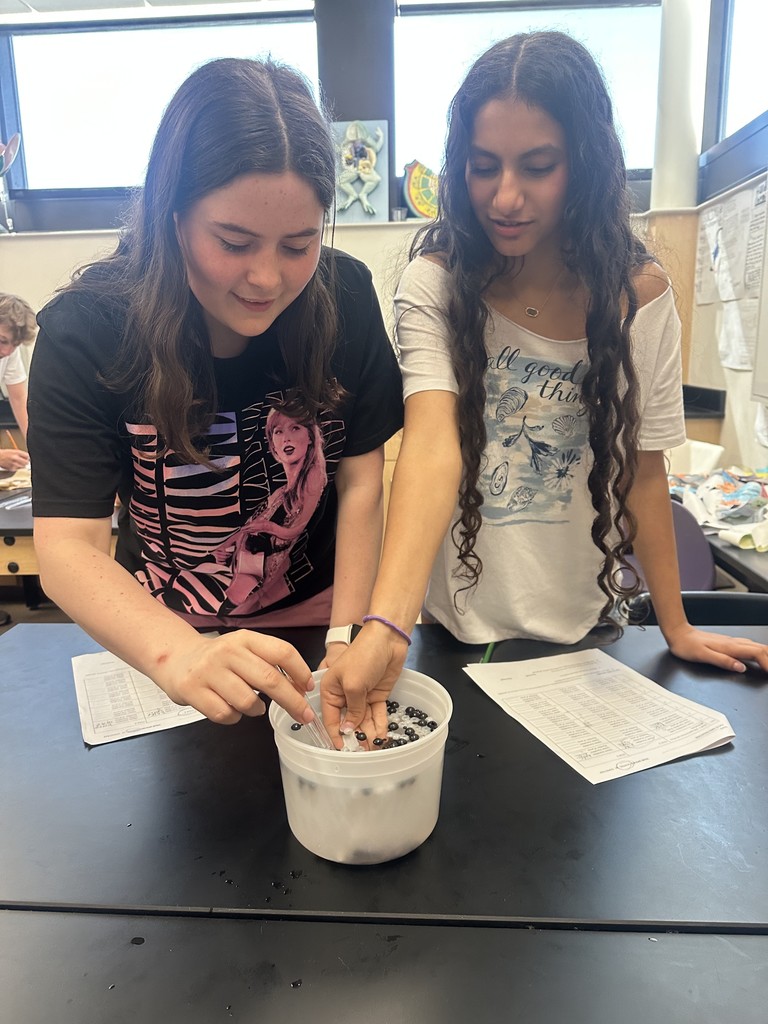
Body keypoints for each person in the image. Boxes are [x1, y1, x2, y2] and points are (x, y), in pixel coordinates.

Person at [321, 30, 768, 743]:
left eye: (537, 166)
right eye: (483, 167)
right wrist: (387, 624)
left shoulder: (640, 295)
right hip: (457, 633)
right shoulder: (435, 284)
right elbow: (432, 449)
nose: (505, 197)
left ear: (583, 164)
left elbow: (644, 467)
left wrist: (677, 625)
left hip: (588, 633)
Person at [27, 58, 403, 729]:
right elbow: (67, 548)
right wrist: (183, 654)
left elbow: (360, 484)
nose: (267, 278)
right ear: (172, 217)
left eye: (298, 244)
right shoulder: (89, 330)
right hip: (163, 630)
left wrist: (346, 637)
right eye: (234, 242)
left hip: (315, 623)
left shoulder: (343, 296)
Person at [0, 292, 35, 471]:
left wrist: (37, 449)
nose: (7, 351)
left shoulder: (8, 353)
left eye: (15, 345)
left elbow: (19, 399)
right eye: (2, 341)